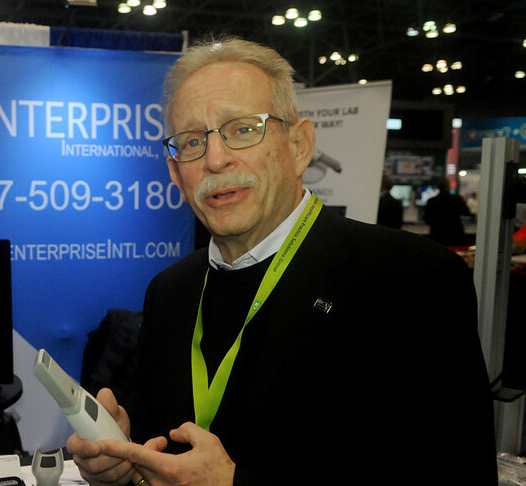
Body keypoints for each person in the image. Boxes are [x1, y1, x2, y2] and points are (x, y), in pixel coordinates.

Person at [66, 36, 496, 485]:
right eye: (192, 141)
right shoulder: (170, 291)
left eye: (243, 129)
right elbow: (163, 442)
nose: (215, 158)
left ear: (299, 146)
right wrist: (126, 455)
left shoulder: (413, 280)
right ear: (177, 174)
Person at [423, 177, 472, 246]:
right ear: (448, 186)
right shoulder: (456, 199)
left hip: (437, 234)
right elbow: (466, 213)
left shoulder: (431, 201)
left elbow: (427, 219)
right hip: (455, 234)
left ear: (438, 187)